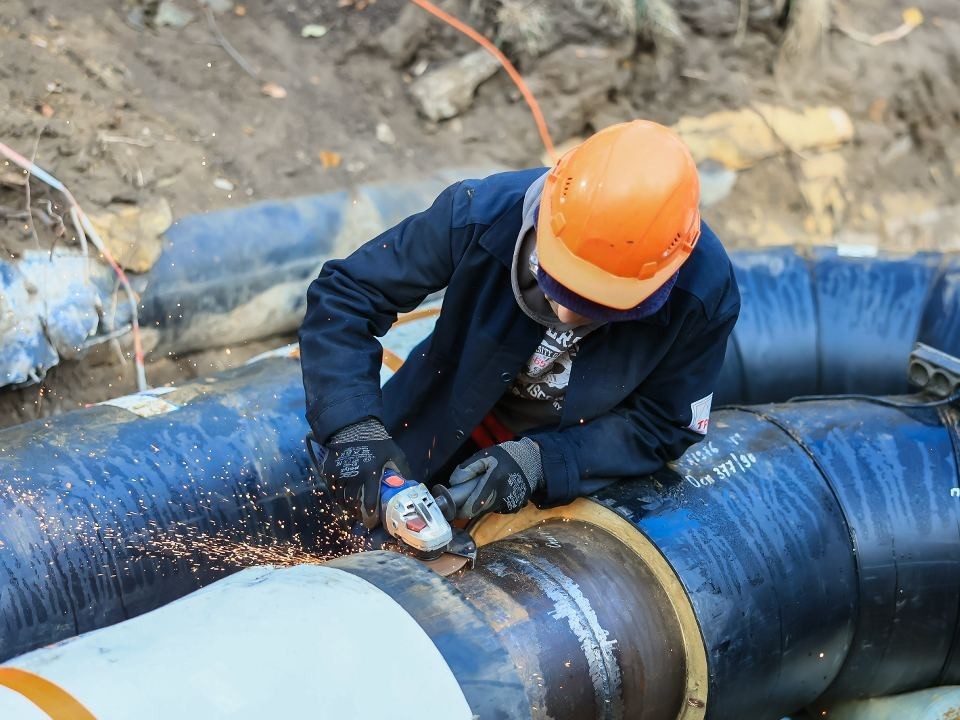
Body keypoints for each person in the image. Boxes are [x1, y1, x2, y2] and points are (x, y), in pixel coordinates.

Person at [299, 119, 740, 529]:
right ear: (547, 221)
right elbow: (348, 293)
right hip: (432, 412)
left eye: (598, 306)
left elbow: (663, 424)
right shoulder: (482, 212)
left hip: (564, 466)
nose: (566, 317)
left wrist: (543, 463)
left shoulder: (703, 295)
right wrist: (352, 424)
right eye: (557, 287)